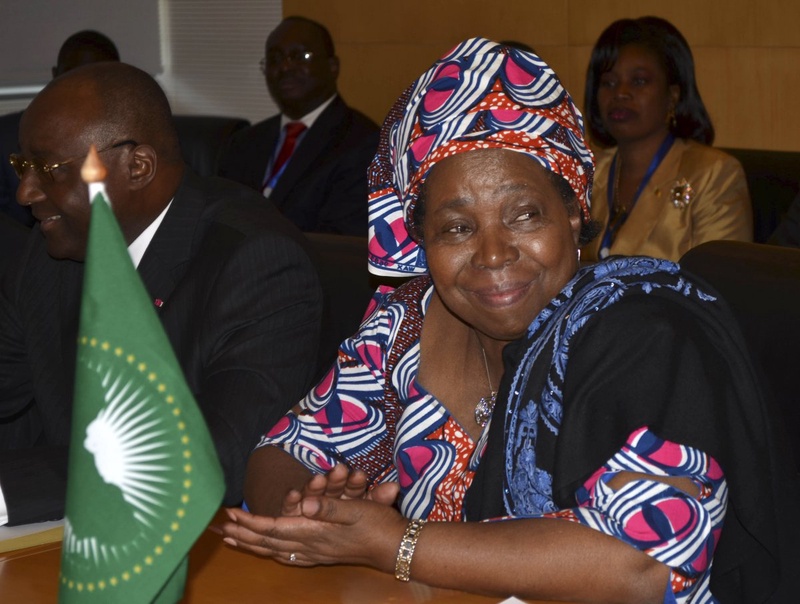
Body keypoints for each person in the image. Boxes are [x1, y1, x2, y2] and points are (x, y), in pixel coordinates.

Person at [217, 39, 798, 603]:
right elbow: (284, 449)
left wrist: (394, 542)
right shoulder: (403, 328)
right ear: (420, 242)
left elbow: (645, 566)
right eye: (457, 228)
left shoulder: (644, 335)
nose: (493, 254)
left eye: (523, 215)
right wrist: (310, 515)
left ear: (572, 213)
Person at [0, 62, 323, 526]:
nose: (25, 193)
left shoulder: (256, 262)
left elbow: (211, 457)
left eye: (49, 170)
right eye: (22, 167)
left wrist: (7, 491)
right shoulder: (49, 253)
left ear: (137, 167)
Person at [581, 16, 752, 262]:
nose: (620, 93)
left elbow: (722, 286)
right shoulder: (587, 172)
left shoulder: (715, 175)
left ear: (672, 96)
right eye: (608, 82)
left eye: (639, 81)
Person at [217, 16, 379, 236]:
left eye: (300, 56)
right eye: (274, 59)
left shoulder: (363, 144)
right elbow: (218, 217)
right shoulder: (244, 141)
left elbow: (340, 244)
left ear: (333, 67)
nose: (285, 67)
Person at [0, 29, 121, 227]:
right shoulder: (5, 137)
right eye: (75, 74)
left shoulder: (134, 137)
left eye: (97, 75)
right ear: (56, 75)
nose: (85, 87)